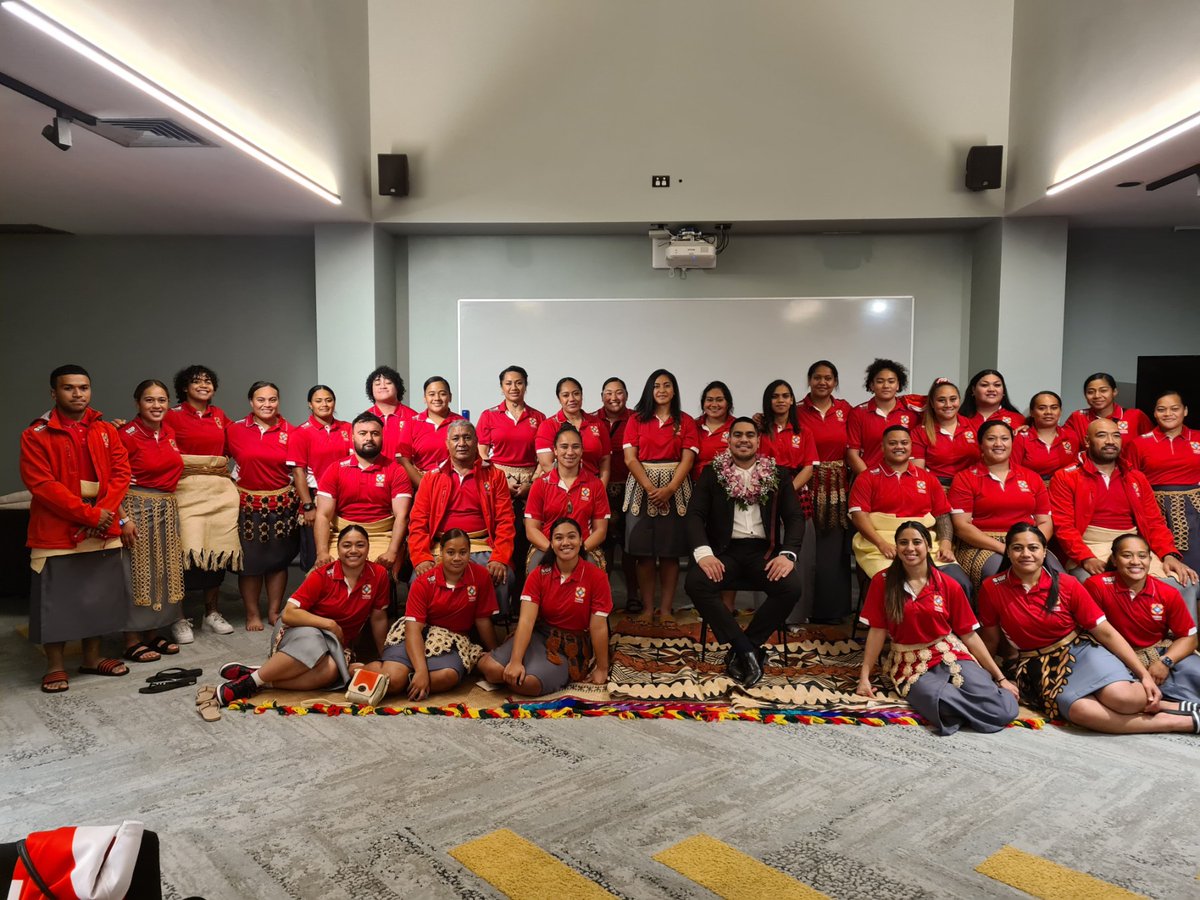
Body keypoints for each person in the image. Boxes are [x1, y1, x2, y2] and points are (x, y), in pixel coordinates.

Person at [978, 524, 1198, 733]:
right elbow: (989, 640)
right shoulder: (992, 588)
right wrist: (995, 677)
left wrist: (1144, 676)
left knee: (1128, 699)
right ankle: (1181, 722)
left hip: (1081, 651)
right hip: (1039, 665)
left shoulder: (1067, 583)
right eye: (1018, 548)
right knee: (1082, 712)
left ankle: (1161, 706)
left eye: (1033, 547)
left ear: (1044, 552)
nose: (1026, 554)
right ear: (1008, 552)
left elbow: (1105, 631)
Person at [21, 365, 133, 692]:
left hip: (101, 523)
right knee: (56, 600)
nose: (77, 394)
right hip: (57, 526)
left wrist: (104, 512)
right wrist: (88, 515)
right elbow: (41, 484)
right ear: (54, 393)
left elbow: (120, 473)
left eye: (83, 387)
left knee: (97, 597)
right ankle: (55, 666)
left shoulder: (104, 430)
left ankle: (92, 658)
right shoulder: (36, 434)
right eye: (69, 388)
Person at [856, 521, 1018, 734]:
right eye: (903, 542)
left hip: (948, 652)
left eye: (917, 542)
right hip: (909, 663)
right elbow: (876, 631)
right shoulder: (882, 582)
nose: (910, 548)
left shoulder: (948, 584)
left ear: (928, 546)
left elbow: (969, 635)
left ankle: (978, 708)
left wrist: (1001, 678)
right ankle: (976, 710)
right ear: (896, 546)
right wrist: (864, 678)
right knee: (938, 705)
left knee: (1004, 710)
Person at [684, 417, 805, 688]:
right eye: (737, 434)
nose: (743, 440)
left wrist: (787, 555)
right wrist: (704, 554)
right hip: (724, 552)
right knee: (695, 582)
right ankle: (746, 650)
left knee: (791, 587)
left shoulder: (778, 474)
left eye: (749, 435)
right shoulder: (712, 473)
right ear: (729, 440)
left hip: (764, 552)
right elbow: (694, 515)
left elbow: (795, 518)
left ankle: (745, 645)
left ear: (758, 441)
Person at [215, 525, 391, 706]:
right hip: (300, 632)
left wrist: (384, 656)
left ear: (368, 547)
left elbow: (378, 618)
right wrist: (329, 624)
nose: (353, 550)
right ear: (338, 549)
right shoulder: (321, 575)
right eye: (347, 545)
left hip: (336, 644)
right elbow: (289, 614)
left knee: (331, 671)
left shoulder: (379, 575)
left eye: (360, 545)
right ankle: (246, 685)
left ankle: (261, 678)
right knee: (314, 641)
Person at [1049, 418, 1199, 620]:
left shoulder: (1135, 476)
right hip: (1090, 546)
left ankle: (1182, 641)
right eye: (1102, 435)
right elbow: (1064, 527)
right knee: (1103, 588)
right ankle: (1120, 645)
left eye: (1116, 435)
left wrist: (1169, 554)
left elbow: (1154, 522)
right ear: (1087, 440)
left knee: (1185, 582)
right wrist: (1085, 558)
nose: (1110, 441)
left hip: (1132, 545)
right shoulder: (1066, 477)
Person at [477, 517, 613, 696]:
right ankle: (478, 656)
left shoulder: (596, 577)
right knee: (491, 669)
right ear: (551, 543)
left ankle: (534, 671)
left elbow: (598, 627)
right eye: (558, 538)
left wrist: (602, 668)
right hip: (540, 635)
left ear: (581, 541)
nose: (565, 543)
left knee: (528, 684)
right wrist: (516, 661)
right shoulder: (539, 574)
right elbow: (526, 621)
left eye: (571, 537)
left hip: (571, 646)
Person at [364, 528, 500, 699]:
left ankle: (405, 680)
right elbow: (413, 629)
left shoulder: (480, 576)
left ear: (469, 552)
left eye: (463, 552)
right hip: (419, 634)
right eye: (450, 552)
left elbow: (483, 620)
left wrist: (495, 653)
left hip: (453, 639)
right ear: (441, 553)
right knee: (394, 678)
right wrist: (421, 671)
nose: (457, 558)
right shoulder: (423, 581)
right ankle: (360, 670)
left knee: (446, 677)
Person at [408, 420, 517, 614]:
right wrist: (421, 558)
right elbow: (418, 523)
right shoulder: (432, 478)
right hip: (441, 547)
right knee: (418, 579)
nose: (462, 443)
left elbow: (505, 522)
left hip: (482, 545)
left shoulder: (495, 476)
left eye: (467, 437)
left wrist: (500, 558)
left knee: (503, 576)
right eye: (456, 438)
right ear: (447, 443)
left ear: (476, 441)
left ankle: (494, 632)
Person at [848, 425, 972, 596]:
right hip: (881, 545)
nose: (899, 447)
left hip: (926, 545)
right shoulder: (867, 478)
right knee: (892, 585)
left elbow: (942, 515)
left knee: (959, 583)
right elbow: (858, 516)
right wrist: (881, 544)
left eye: (904, 443)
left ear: (911, 447)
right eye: (893, 443)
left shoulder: (928, 478)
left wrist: (945, 543)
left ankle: (945, 623)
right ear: (883, 448)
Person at [165, 364, 240, 640]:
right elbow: (156, 442)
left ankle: (211, 613)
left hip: (218, 491)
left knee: (217, 550)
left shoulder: (219, 415)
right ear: (185, 387)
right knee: (185, 552)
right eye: (196, 381)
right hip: (184, 490)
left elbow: (238, 443)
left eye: (208, 381)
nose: (203, 385)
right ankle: (178, 616)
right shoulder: (171, 416)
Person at [621, 369, 699, 624]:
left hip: (675, 490)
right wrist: (650, 487)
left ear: (674, 390)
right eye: (657, 386)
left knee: (670, 553)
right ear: (649, 390)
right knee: (644, 554)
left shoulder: (685, 421)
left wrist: (669, 489)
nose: (662, 390)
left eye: (667, 385)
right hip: (641, 489)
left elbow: (688, 458)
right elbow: (630, 458)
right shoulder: (637, 420)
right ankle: (646, 608)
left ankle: (665, 609)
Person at [1085, 534, 1200, 703]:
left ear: (1150, 559)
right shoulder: (1097, 585)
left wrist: (1165, 662)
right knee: (1122, 697)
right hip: (1113, 655)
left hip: (1158, 653)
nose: (1135, 562)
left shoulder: (1167, 593)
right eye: (1126, 555)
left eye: (1142, 556)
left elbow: (1189, 638)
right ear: (1115, 560)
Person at [224, 381, 300, 631]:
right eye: (261, 400)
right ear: (251, 402)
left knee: (278, 560)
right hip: (247, 505)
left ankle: (274, 610)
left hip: (282, 505)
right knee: (251, 563)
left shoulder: (292, 431)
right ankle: (252, 613)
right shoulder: (234, 429)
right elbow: (214, 457)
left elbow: (300, 470)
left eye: (272, 399)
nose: (267, 405)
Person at [117, 379, 185, 663]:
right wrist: (123, 520)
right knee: (135, 573)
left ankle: (153, 633)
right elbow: (113, 480)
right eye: (149, 400)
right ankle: (131, 638)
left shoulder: (168, 431)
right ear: (137, 403)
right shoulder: (126, 434)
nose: (156, 406)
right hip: (136, 507)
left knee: (161, 571)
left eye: (161, 400)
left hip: (166, 508)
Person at [949, 420, 1061, 589]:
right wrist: (1006, 548)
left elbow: (1045, 521)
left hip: (1028, 540)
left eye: (1004, 438)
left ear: (1012, 442)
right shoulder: (965, 478)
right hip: (983, 544)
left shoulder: (1031, 477)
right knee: (1002, 577)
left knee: (1059, 577)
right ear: (980, 444)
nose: (998, 444)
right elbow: (961, 526)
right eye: (991, 439)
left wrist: (1033, 545)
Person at [313, 412, 413, 573]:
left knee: (374, 575)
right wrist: (322, 552)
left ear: (382, 437)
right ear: (352, 438)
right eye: (362, 433)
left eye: (375, 433)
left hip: (381, 536)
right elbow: (323, 515)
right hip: (342, 535)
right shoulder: (335, 469)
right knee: (324, 575)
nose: (369, 438)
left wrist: (392, 551)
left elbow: (402, 516)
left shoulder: (396, 471)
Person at [796, 360, 855, 623]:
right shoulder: (797, 411)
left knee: (833, 552)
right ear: (809, 380)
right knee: (807, 549)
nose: (823, 382)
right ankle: (801, 609)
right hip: (806, 482)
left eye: (828, 378)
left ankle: (832, 612)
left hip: (837, 487)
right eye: (817, 377)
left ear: (835, 382)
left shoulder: (846, 410)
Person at [757, 379, 818, 622]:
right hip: (763, 492)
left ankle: (797, 616)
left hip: (795, 491)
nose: (780, 400)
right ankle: (766, 615)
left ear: (792, 400)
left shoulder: (803, 431)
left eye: (785, 395)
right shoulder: (759, 430)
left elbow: (808, 468)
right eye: (775, 396)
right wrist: (773, 491)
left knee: (797, 554)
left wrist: (786, 492)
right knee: (766, 551)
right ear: (768, 401)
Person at [477, 365, 544, 580]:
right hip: (499, 482)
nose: (513, 387)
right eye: (508, 383)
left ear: (525, 385)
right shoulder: (489, 416)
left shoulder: (538, 417)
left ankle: (526, 594)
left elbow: (544, 458)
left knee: (528, 537)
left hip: (530, 483)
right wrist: (500, 482)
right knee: (503, 534)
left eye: (519, 382)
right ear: (501, 387)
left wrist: (531, 485)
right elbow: (481, 454)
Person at [1123, 390, 1200, 578]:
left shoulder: (1198, 437)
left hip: (1196, 508)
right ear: (1155, 413)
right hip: (1155, 510)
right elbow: (1129, 478)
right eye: (1161, 409)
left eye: (1174, 409)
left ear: (1185, 411)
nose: (1168, 414)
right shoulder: (1139, 443)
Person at [525, 423, 609, 569]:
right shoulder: (540, 484)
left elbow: (600, 531)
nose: (570, 452)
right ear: (555, 451)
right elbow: (531, 530)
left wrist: (578, 551)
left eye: (575, 447)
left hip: (584, 548)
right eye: (564, 447)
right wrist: (554, 550)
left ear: (582, 450)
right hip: (547, 547)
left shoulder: (595, 484)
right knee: (537, 571)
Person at [288, 385, 352, 571]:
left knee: (345, 552)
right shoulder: (301, 433)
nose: (324, 404)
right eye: (318, 401)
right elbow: (298, 472)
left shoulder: (347, 428)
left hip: (345, 499)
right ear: (310, 404)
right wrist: (308, 505)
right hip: (315, 500)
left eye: (328, 400)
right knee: (316, 557)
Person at [596, 376, 641, 614]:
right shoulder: (592, 420)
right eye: (608, 393)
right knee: (602, 547)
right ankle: (604, 597)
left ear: (627, 395)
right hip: (599, 489)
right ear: (601, 396)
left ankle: (633, 595)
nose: (614, 398)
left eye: (619, 392)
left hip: (629, 489)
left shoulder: (637, 419)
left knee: (630, 547)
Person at [847, 358, 919, 474]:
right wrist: (869, 480)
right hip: (868, 478)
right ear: (872, 385)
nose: (886, 385)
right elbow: (852, 454)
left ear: (898, 385)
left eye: (891, 381)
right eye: (880, 381)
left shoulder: (911, 413)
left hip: (902, 479)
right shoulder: (858, 413)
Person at [535, 377, 612, 485]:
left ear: (582, 395)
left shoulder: (597, 424)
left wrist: (600, 490)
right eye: (565, 395)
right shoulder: (548, 425)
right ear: (559, 399)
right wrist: (570, 489)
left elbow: (605, 461)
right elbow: (546, 464)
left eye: (576, 394)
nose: (572, 399)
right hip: (560, 488)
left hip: (592, 487)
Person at [911, 378, 979, 487]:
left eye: (953, 399)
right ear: (932, 403)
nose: (948, 405)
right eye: (941, 400)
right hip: (936, 488)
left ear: (959, 400)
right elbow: (918, 473)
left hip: (970, 487)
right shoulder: (919, 432)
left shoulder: (974, 426)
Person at [397, 376, 464, 486]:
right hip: (422, 484)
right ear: (425, 398)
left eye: (442, 394)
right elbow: (403, 460)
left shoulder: (461, 423)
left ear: (450, 397)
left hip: (455, 485)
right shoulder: (412, 423)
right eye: (431, 394)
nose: (437, 398)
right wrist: (424, 485)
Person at [1064, 372, 1153, 447]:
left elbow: (1151, 445)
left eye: (1103, 390)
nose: (1097, 396)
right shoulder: (1078, 417)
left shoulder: (1135, 416)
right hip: (1090, 467)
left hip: (1128, 467)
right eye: (1090, 392)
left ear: (1114, 392)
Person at [1011, 391, 1076, 481]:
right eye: (1042, 408)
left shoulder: (1071, 436)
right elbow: (1013, 471)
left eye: (1054, 408)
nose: (1048, 412)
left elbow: (1077, 468)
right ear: (1032, 412)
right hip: (1031, 490)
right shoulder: (1020, 438)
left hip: (1063, 490)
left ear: (1060, 411)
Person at [364, 365, 417, 464]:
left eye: (388, 383)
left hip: (407, 475)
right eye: (377, 384)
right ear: (371, 389)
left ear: (397, 387)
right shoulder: (363, 419)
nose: (383, 386)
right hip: (373, 475)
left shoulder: (413, 417)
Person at [959, 369, 1024, 431]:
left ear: (1003, 390)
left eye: (997, 385)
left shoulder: (1018, 419)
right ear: (973, 390)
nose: (991, 389)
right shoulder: (959, 418)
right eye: (984, 385)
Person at [694, 381, 734, 476]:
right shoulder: (693, 426)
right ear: (703, 403)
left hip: (726, 485)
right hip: (694, 485)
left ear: (728, 403)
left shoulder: (737, 427)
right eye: (709, 400)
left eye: (719, 400)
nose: (714, 404)